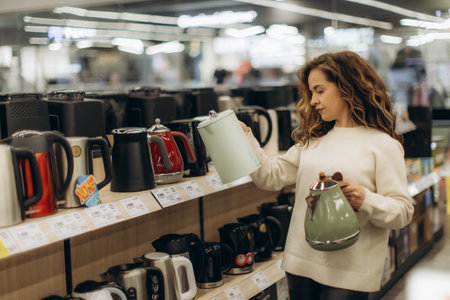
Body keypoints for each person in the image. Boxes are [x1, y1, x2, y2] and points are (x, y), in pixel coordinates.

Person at [241, 51, 414, 300]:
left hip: (350, 271)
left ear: (346, 87)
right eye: (311, 93)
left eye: (319, 91)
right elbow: (270, 176)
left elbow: (403, 212)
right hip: (300, 263)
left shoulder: (382, 145)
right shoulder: (313, 142)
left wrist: (365, 199)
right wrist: (245, 138)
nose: (312, 101)